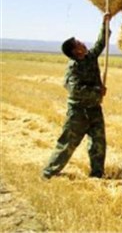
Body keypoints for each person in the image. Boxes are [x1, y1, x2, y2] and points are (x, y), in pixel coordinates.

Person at [42, 13, 111, 179]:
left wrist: (105, 24)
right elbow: (74, 89)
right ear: (75, 51)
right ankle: (49, 173)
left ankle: (97, 174)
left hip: (94, 109)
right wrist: (97, 90)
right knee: (67, 144)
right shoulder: (73, 68)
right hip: (78, 113)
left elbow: (101, 43)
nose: (82, 42)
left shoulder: (90, 57)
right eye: (79, 43)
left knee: (98, 144)